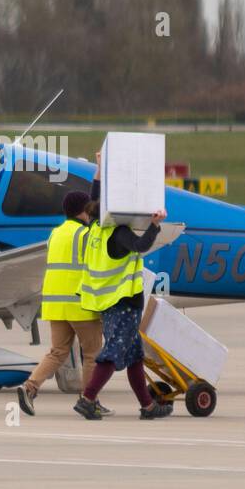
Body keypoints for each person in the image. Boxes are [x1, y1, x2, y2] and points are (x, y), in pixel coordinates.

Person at [75, 158, 172, 421]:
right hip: (124, 303)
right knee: (114, 353)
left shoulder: (95, 226)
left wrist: (99, 171)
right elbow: (141, 246)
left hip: (106, 302)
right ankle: (88, 398)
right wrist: (154, 224)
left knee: (134, 355)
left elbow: (94, 197)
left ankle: (148, 406)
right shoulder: (118, 233)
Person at [16, 190, 109, 417]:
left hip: (55, 304)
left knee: (57, 352)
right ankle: (90, 400)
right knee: (92, 354)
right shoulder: (85, 235)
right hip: (80, 304)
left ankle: (29, 387)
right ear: (84, 210)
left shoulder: (55, 234)